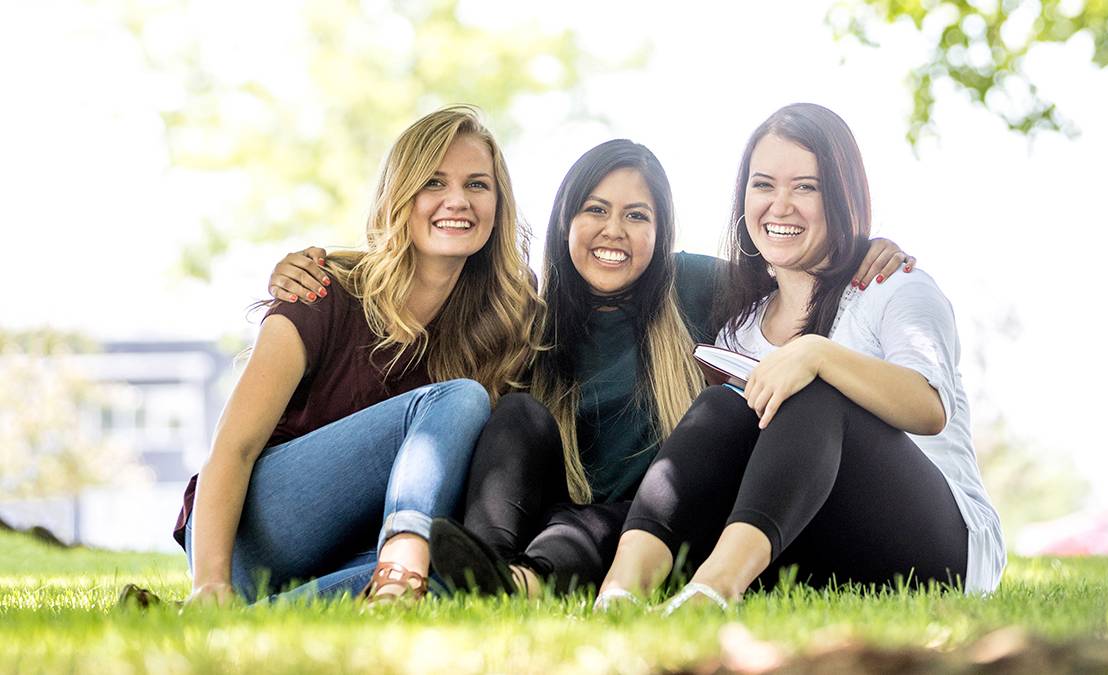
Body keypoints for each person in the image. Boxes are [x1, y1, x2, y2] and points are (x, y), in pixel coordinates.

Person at [268, 141, 915, 598]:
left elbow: (790, 260)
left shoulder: (695, 287)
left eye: (638, 215)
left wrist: (865, 248)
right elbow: (430, 276)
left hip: (656, 520)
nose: (615, 230)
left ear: (661, 232)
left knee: (607, 520)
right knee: (517, 414)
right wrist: (328, 263)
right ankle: (484, 565)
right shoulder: (528, 317)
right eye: (595, 209)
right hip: (541, 509)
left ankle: (514, 582)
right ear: (566, 219)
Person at [593, 103, 1004, 612]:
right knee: (722, 406)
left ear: (842, 195)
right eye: (763, 185)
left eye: (805, 187)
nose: (780, 205)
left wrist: (817, 353)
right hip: (810, 543)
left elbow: (929, 408)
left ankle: (712, 591)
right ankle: (621, 591)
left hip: (939, 548)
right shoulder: (741, 325)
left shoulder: (893, 286)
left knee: (814, 394)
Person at [172, 106, 540, 606]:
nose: (458, 201)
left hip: (355, 550)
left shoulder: (503, 323)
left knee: (456, 581)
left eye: (477, 185)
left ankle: (258, 615)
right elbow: (231, 448)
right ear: (399, 196)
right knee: (459, 401)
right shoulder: (324, 290)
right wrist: (210, 582)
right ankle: (401, 565)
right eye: (433, 182)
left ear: (499, 203)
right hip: (249, 534)